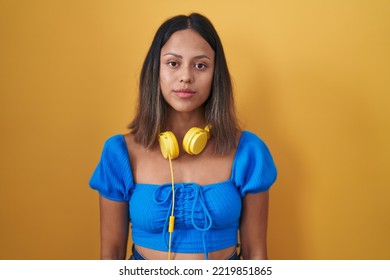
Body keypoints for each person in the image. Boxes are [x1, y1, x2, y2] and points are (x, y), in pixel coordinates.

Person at [89, 13, 277, 260]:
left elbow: (256, 255)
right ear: (155, 70)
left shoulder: (248, 151)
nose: (186, 76)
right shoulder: (120, 153)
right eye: (173, 63)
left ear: (215, 75)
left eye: (200, 65)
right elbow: (110, 256)